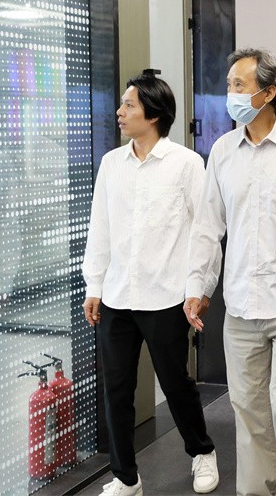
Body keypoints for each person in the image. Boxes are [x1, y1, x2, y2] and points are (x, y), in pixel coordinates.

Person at [183, 48, 276, 496]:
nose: (229, 93)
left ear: (267, 93)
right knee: (248, 412)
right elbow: (208, 226)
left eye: (238, 85)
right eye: (229, 84)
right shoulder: (222, 151)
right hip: (240, 306)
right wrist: (199, 286)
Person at [82, 73, 219, 496]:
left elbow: (205, 232)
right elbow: (100, 228)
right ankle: (126, 477)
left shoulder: (186, 164)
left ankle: (202, 452)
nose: (120, 112)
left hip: (166, 295)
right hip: (117, 296)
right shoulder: (111, 164)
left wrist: (198, 287)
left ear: (154, 114)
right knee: (117, 390)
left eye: (129, 106)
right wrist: (94, 285)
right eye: (122, 105)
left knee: (176, 384)